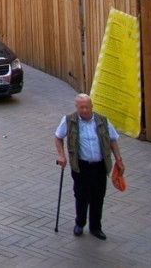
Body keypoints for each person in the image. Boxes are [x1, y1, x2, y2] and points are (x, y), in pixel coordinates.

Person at [54, 93, 124, 240]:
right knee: (81, 196)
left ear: (92, 106)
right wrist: (61, 155)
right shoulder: (69, 120)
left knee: (98, 197)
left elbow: (112, 140)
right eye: (81, 108)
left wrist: (119, 159)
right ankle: (80, 223)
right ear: (76, 107)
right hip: (81, 166)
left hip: (100, 166)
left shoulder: (102, 120)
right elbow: (58, 136)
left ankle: (96, 227)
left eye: (87, 107)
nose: (84, 110)